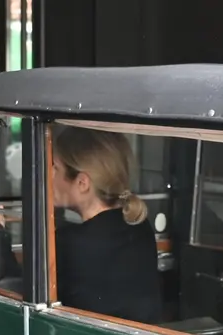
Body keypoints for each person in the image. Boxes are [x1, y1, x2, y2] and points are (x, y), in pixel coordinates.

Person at [50, 126, 162, 323]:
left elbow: (17, 298)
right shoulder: (140, 227)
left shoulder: (69, 243)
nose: (48, 174)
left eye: (55, 167)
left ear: (82, 183)